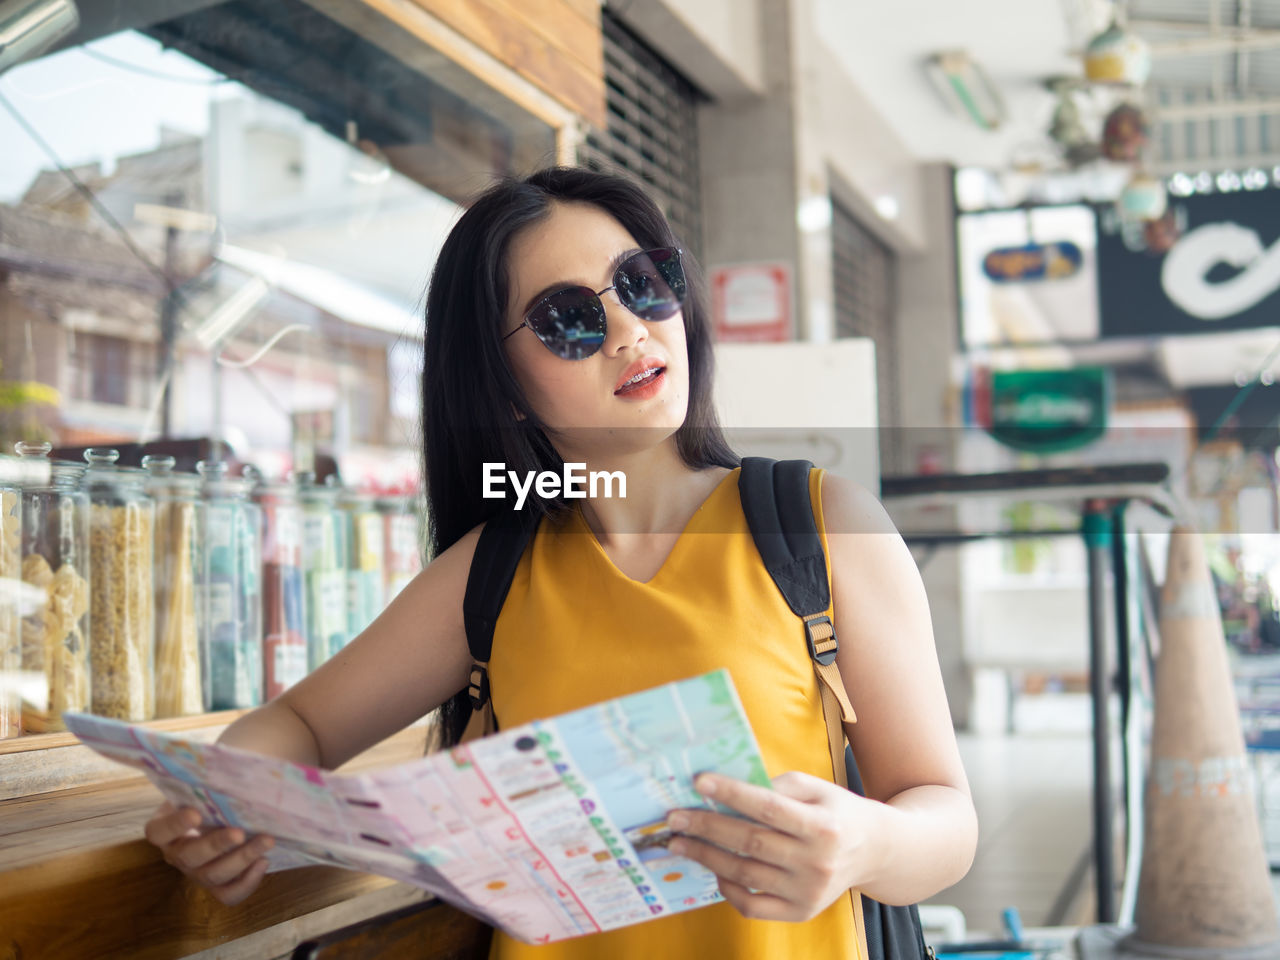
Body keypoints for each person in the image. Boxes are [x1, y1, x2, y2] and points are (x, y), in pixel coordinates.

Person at [144, 167, 978, 958]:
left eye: (643, 283)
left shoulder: (822, 525)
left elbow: (946, 821)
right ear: (505, 384)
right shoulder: (491, 574)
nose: (628, 329)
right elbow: (303, 725)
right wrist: (228, 801)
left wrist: (862, 844)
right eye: (568, 320)